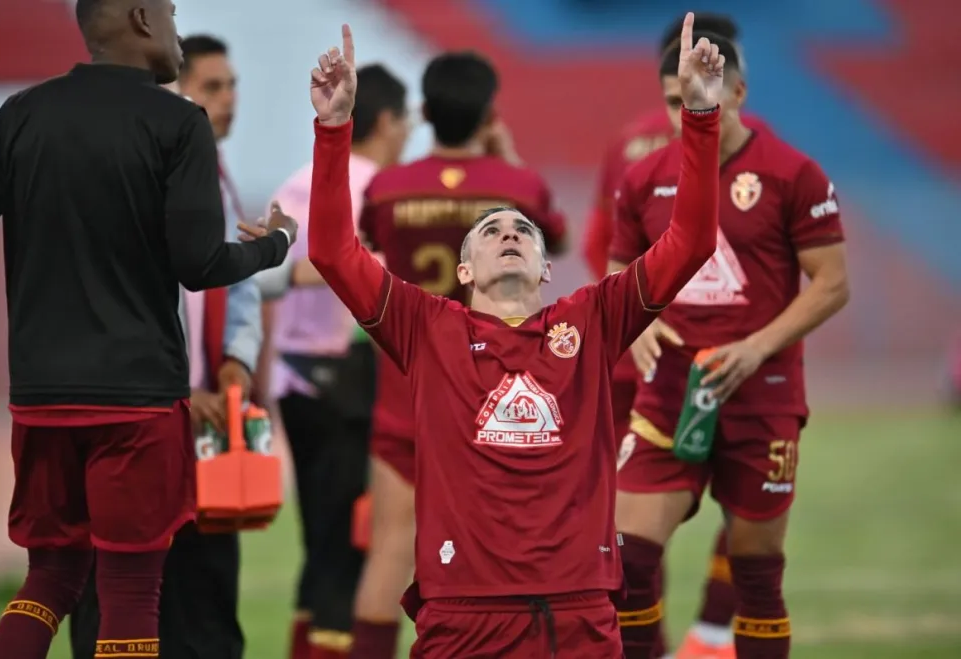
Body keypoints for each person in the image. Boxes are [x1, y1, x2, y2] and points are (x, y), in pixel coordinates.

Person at [244, 17, 722, 656]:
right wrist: (334, 129)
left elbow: (689, 243)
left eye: (521, 230)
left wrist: (699, 117)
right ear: (464, 270)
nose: (508, 232)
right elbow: (331, 250)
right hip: (463, 617)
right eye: (491, 231)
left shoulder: (592, 319)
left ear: (546, 265)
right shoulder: (426, 327)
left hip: (578, 610)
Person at [0, 0, 297, 657]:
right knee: (129, 590)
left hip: (40, 399)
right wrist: (274, 245)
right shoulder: (179, 123)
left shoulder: (21, 114)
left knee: (49, 578)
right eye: (172, 16)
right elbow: (200, 263)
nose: (177, 31)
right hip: (137, 400)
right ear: (142, 18)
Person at [608, 30, 849, 659]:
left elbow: (832, 285)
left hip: (760, 397)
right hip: (666, 396)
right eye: (671, 99)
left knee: (757, 574)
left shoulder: (794, 173)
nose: (685, 107)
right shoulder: (643, 179)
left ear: (738, 91)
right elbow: (617, 271)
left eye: (703, 92)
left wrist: (756, 348)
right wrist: (635, 320)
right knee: (626, 565)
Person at [345, 51, 568, 659]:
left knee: (391, 547)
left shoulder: (387, 187)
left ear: (423, 113)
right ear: (490, 113)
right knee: (509, 548)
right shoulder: (518, 188)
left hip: (408, 385)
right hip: (493, 388)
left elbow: (367, 246)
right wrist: (509, 158)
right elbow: (559, 239)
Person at [68, 33, 263, 659]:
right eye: (212, 87)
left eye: (232, 86)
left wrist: (236, 359)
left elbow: (238, 286)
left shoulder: (220, 179)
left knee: (204, 602)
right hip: (138, 417)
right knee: (119, 596)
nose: (228, 100)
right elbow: (119, 300)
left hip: (199, 432)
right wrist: (182, 390)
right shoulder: (136, 174)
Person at [584, 14, 766, 659]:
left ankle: (714, 631)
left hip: (740, 367)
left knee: (752, 515)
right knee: (634, 525)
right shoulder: (637, 152)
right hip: (645, 365)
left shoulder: (766, 160)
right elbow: (604, 249)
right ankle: (657, 642)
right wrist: (635, 317)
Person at [256, 63, 411, 659]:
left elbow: (266, 273)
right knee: (349, 544)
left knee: (320, 539)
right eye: (406, 122)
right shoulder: (377, 188)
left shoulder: (299, 183)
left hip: (296, 378)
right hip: (350, 375)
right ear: (389, 121)